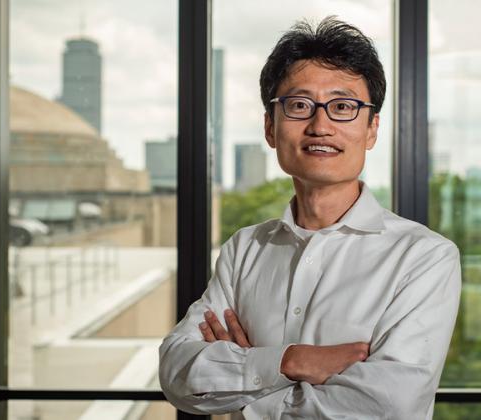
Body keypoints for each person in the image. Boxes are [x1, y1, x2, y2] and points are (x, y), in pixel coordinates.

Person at [159, 17, 461, 420]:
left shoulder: (423, 257)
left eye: (343, 107)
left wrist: (247, 377)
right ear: (271, 127)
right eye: (300, 105)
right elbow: (178, 373)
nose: (321, 126)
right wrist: (291, 361)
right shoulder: (244, 249)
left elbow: (389, 407)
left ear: (371, 129)